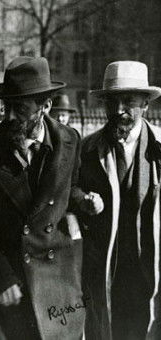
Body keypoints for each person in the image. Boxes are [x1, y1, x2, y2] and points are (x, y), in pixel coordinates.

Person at [0, 56, 85, 339]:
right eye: (7, 107)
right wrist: (1, 276)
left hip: (54, 280)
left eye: (20, 108)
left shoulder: (70, 141)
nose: (10, 117)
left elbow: (69, 190)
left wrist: (84, 199)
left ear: (46, 106)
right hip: (5, 278)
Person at [71, 60, 161, 339]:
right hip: (103, 271)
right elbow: (67, 193)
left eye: (128, 101)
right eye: (112, 102)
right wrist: (82, 199)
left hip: (150, 268)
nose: (119, 110)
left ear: (145, 103)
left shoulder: (159, 148)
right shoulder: (87, 149)